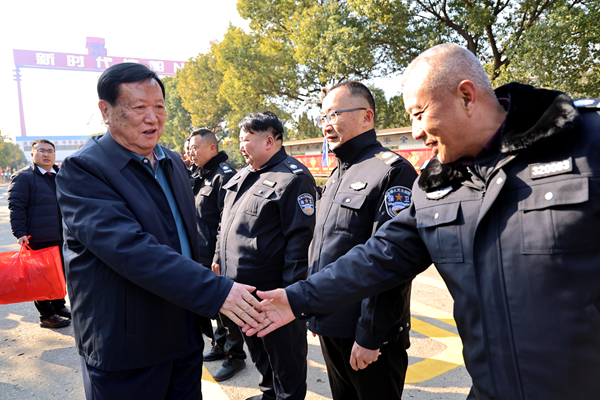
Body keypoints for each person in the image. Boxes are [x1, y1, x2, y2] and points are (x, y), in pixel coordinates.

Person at [250, 43, 600, 400]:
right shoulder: (436, 186)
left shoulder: (586, 142)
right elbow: (379, 257)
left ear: (466, 97)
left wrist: (370, 334)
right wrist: (298, 298)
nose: (416, 131)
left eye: (419, 113)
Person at [55, 62, 264, 400]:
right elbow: (129, 249)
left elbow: (183, 237)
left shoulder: (172, 162)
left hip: (182, 331)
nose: (152, 118)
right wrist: (217, 292)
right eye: (139, 108)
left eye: (159, 107)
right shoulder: (85, 169)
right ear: (105, 111)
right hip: (127, 343)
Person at [307, 81, 418, 400]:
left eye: (334, 114)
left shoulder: (391, 172)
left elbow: (393, 261)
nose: (327, 124)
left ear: (366, 117)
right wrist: (316, 310)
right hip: (332, 325)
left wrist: (372, 334)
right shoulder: (337, 174)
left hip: (366, 335)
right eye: (323, 116)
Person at [214, 111, 316, 400]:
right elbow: (226, 222)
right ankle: (269, 394)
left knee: (285, 360)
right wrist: (218, 256)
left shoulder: (292, 178)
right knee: (260, 353)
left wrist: (290, 296)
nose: (240, 146)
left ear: (269, 141)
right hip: (243, 293)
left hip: (273, 295)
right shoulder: (243, 176)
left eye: (246, 139)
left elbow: (300, 242)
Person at [188, 128, 247, 381]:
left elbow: (228, 221)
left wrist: (218, 257)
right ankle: (220, 345)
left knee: (225, 304)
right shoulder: (201, 175)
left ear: (212, 148)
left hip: (217, 255)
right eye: (189, 148)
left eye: (195, 148)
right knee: (213, 305)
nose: (190, 153)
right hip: (200, 253)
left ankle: (235, 355)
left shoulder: (225, 176)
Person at [7, 138, 71, 329]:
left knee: (59, 274)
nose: (46, 154)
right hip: (38, 237)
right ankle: (46, 315)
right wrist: (20, 232)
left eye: (50, 151)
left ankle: (59, 306)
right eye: (41, 150)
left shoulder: (61, 175)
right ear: (32, 154)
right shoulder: (23, 177)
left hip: (62, 235)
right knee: (41, 278)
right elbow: (16, 206)